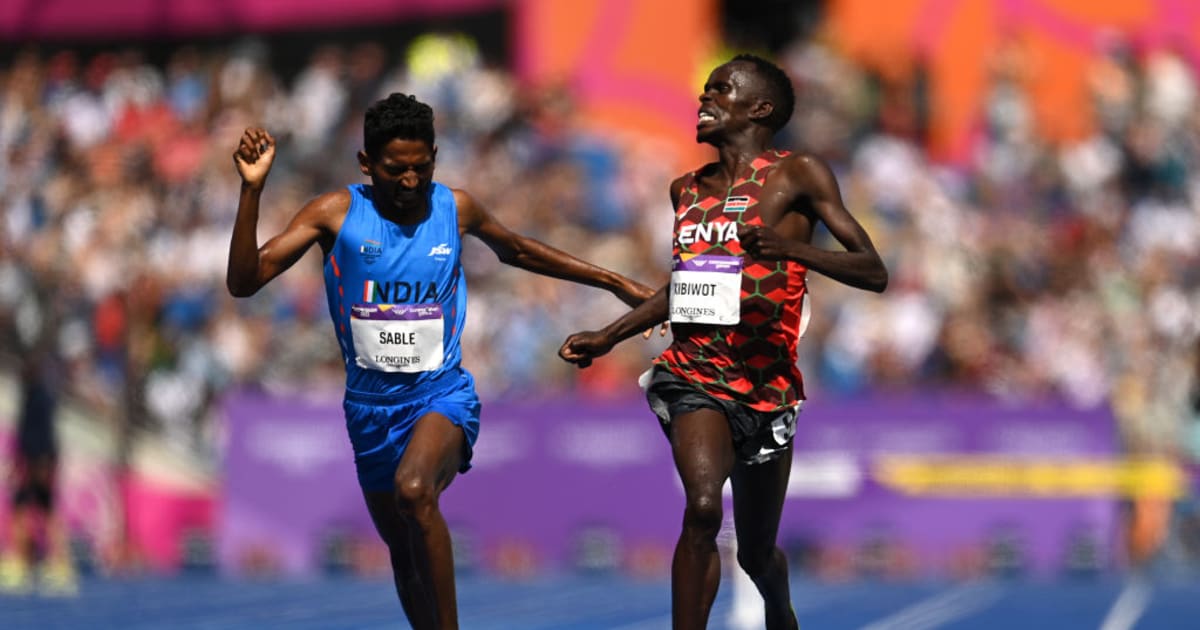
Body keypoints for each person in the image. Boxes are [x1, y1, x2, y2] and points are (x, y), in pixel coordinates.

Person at [227, 93, 654, 629]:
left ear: (435, 155)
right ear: (365, 164)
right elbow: (243, 283)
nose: (409, 181)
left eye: (421, 168)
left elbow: (518, 249)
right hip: (368, 411)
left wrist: (613, 281)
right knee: (404, 555)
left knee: (414, 490)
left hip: (440, 396)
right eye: (394, 170)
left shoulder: (456, 208)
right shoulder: (334, 214)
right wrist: (252, 189)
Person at [558, 54, 888, 630]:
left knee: (759, 551)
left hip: (768, 385)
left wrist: (791, 250)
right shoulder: (684, 188)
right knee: (704, 509)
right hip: (694, 373)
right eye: (704, 90)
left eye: (720, 90)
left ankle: (780, 610)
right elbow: (686, 286)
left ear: (760, 108)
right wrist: (608, 336)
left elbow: (872, 270)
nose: (703, 99)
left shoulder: (799, 173)